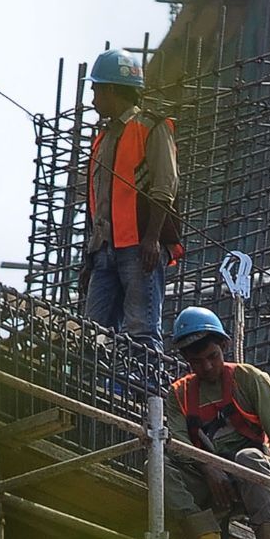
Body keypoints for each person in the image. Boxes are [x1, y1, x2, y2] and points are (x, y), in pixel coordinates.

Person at [163, 308, 270, 539]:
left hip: (250, 478)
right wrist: (207, 468)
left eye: (213, 357)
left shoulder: (248, 379)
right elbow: (177, 441)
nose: (207, 366)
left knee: (249, 457)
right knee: (158, 466)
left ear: (224, 345)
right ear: (187, 359)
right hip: (208, 483)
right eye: (197, 362)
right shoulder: (179, 393)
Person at [79, 49, 180, 346]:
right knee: (93, 333)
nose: (94, 98)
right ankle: (98, 390)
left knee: (142, 329)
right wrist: (91, 256)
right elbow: (100, 204)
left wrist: (151, 239)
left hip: (139, 248)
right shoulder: (105, 137)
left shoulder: (151, 127)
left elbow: (165, 185)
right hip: (105, 250)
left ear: (112, 89)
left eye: (96, 90)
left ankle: (145, 392)